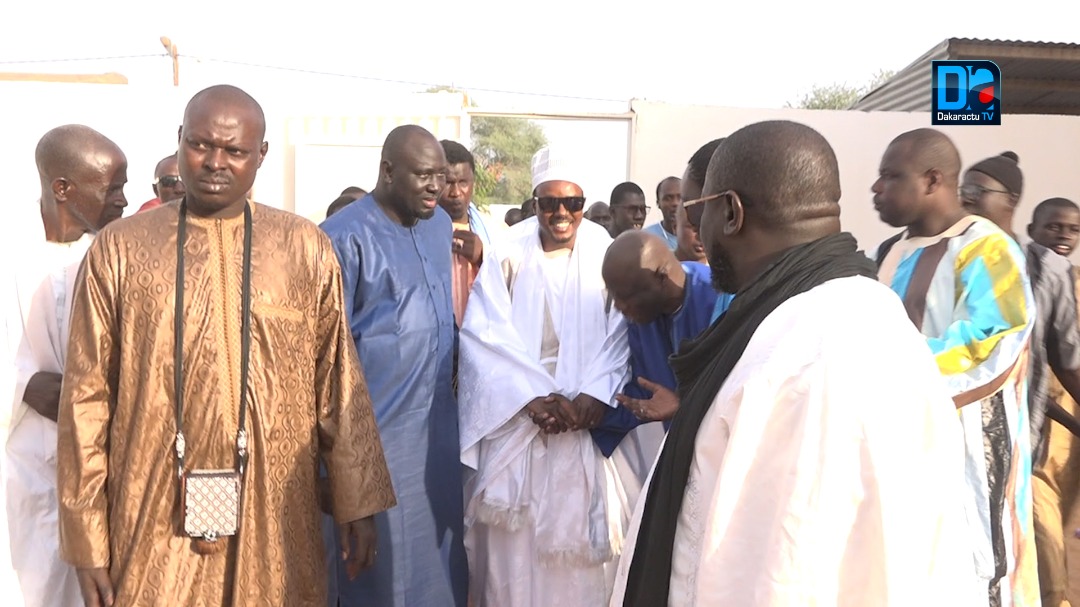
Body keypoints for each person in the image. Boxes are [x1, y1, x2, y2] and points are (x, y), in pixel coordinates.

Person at [57, 85, 396, 607]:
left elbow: (337, 380)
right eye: (200, 145)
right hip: (154, 510)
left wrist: (357, 504)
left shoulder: (303, 248)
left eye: (234, 151)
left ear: (260, 155)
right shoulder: (119, 250)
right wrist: (85, 538)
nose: (215, 162)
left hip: (274, 511)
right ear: (179, 141)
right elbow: (85, 399)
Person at [613, 121, 976, 606]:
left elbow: (788, 573)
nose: (694, 232)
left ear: (732, 212)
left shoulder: (815, 357)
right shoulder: (839, 314)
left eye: (697, 212)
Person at [872, 128, 1037, 607]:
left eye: (890, 177)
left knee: (976, 563)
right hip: (902, 436)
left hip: (970, 441)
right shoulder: (893, 252)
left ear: (931, 180)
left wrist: (900, 374)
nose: (876, 189)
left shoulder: (986, 246)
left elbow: (996, 337)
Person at [458, 146, 631, 606]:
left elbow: (623, 330)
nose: (560, 213)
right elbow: (485, 333)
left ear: (583, 203)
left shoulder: (607, 253)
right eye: (548, 202)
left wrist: (591, 397)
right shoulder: (507, 252)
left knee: (582, 563)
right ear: (534, 201)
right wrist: (532, 398)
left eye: (572, 203)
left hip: (585, 423)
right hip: (519, 419)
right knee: (515, 555)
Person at [321, 125, 468, 607]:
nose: (436, 188)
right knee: (373, 579)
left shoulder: (440, 225)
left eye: (441, 177)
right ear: (387, 171)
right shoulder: (337, 241)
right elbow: (320, 361)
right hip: (371, 445)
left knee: (439, 574)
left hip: (436, 441)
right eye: (423, 175)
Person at [7, 124, 128, 607]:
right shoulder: (8, 251)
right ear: (63, 188)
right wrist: (25, 385)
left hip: (92, 474)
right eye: (112, 186)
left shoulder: (113, 255)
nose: (123, 200)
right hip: (15, 468)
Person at [591, 230, 718, 507]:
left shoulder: (719, 301)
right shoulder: (642, 316)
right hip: (682, 462)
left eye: (626, 297)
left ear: (661, 277)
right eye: (615, 299)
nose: (621, 309)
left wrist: (684, 406)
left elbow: (739, 394)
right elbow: (646, 392)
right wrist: (588, 413)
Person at [1027, 197, 1080, 605]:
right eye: (1053, 227)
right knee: (1040, 500)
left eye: (1072, 230)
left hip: (1069, 426)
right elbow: (1057, 361)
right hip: (1045, 418)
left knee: (1060, 517)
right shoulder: (1036, 276)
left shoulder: (1069, 278)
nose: (1063, 237)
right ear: (1032, 230)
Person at [439, 139, 491, 326]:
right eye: (448, 183)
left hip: (479, 341)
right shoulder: (417, 232)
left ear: (473, 183)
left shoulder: (493, 232)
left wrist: (483, 257)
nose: (456, 192)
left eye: (463, 182)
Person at [680, 138, 734, 320]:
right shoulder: (733, 287)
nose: (692, 224)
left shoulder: (783, 307)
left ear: (731, 211)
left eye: (693, 208)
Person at [643, 177, 681, 249]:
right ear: (658, 203)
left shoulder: (698, 236)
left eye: (680, 198)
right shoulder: (646, 237)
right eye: (668, 198)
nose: (675, 203)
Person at [673, 199, 706, 264]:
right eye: (694, 228)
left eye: (706, 228)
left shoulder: (724, 268)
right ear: (675, 228)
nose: (701, 236)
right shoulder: (658, 267)